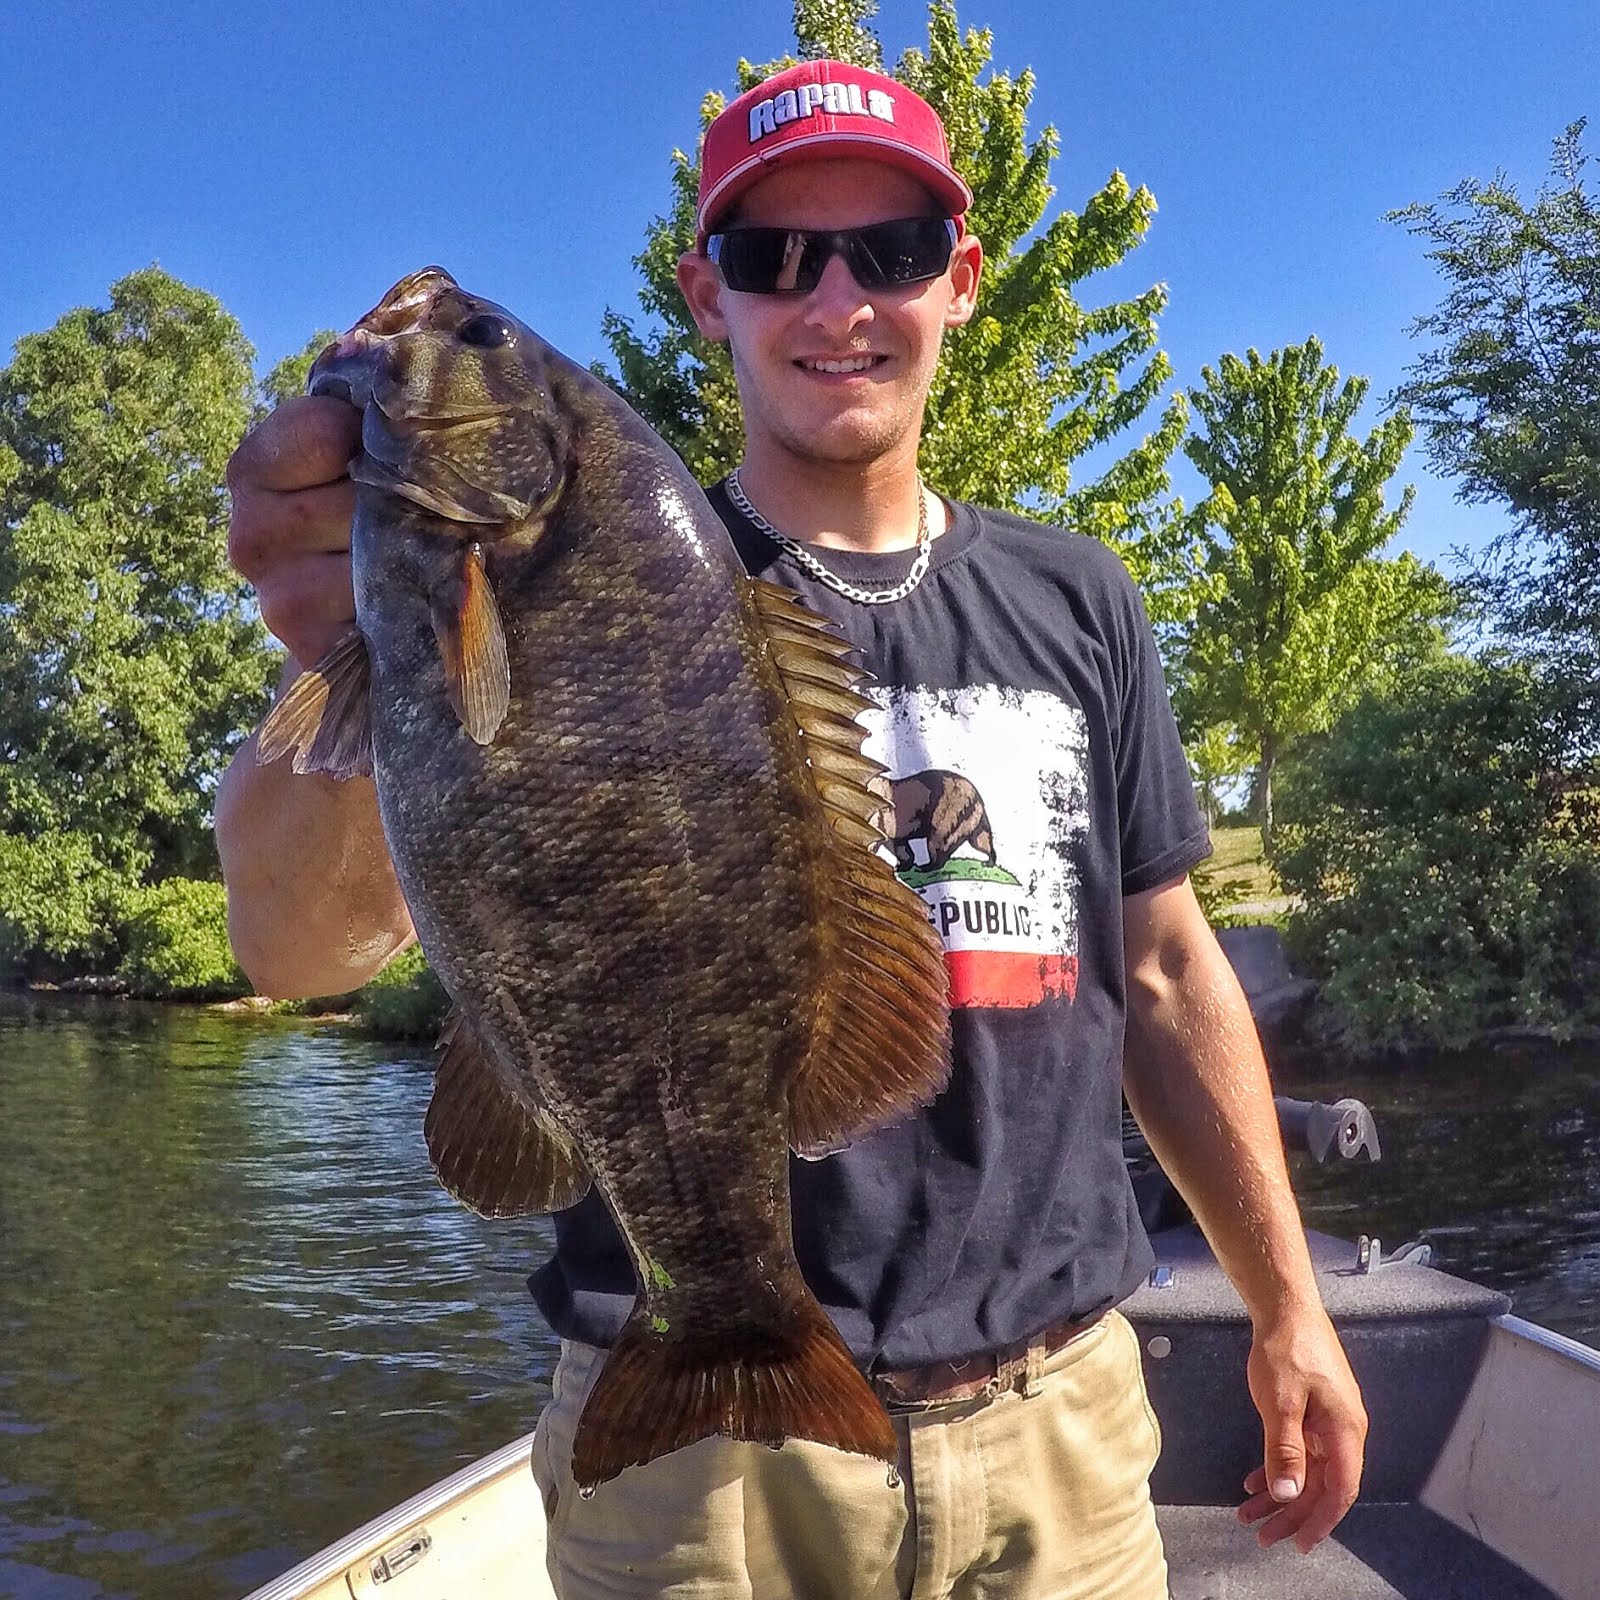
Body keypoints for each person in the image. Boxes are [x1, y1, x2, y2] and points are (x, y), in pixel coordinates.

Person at [217, 58, 1366, 1600]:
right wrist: (348, 647)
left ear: (959, 282)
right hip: (689, 1461)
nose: (837, 300)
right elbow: (292, 953)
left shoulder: (1081, 600)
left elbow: (1168, 974)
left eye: (888, 252)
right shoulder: (571, 577)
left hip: (1062, 1436)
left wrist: (1288, 1304)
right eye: (776, 258)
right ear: (709, 294)